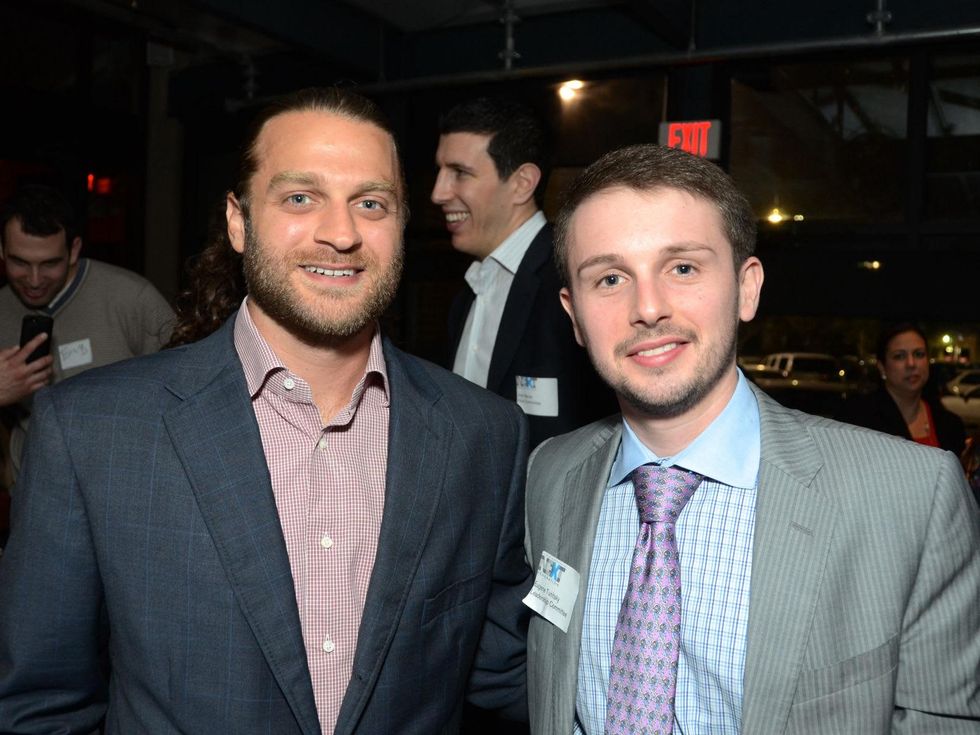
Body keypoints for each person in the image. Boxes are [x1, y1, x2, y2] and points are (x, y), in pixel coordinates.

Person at [0, 87, 532, 734]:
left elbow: (503, 672)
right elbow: (42, 705)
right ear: (238, 220)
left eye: (371, 203)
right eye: (300, 197)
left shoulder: (482, 435)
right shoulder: (92, 432)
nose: (340, 234)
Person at [523, 144, 980, 733]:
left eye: (683, 267)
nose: (649, 307)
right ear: (574, 315)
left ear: (747, 287)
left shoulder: (911, 497)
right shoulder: (551, 474)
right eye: (609, 278)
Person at [433, 96, 613, 449]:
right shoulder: (470, 291)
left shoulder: (574, 280)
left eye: (460, 173)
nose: (438, 193)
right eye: (440, 172)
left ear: (522, 183)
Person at [0, 184, 174, 481]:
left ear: (74, 250)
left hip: (119, 482)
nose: (33, 279)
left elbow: (187, 390)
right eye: (19, 262)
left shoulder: (132, 299)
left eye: (49, 263)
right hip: (32, 490)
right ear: (2, 250)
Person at [836, 322, 966, 454]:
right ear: (882, 367)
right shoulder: (857, 420)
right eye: (899, 356)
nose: (911, 364)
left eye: (919, 354)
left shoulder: (950, 425)